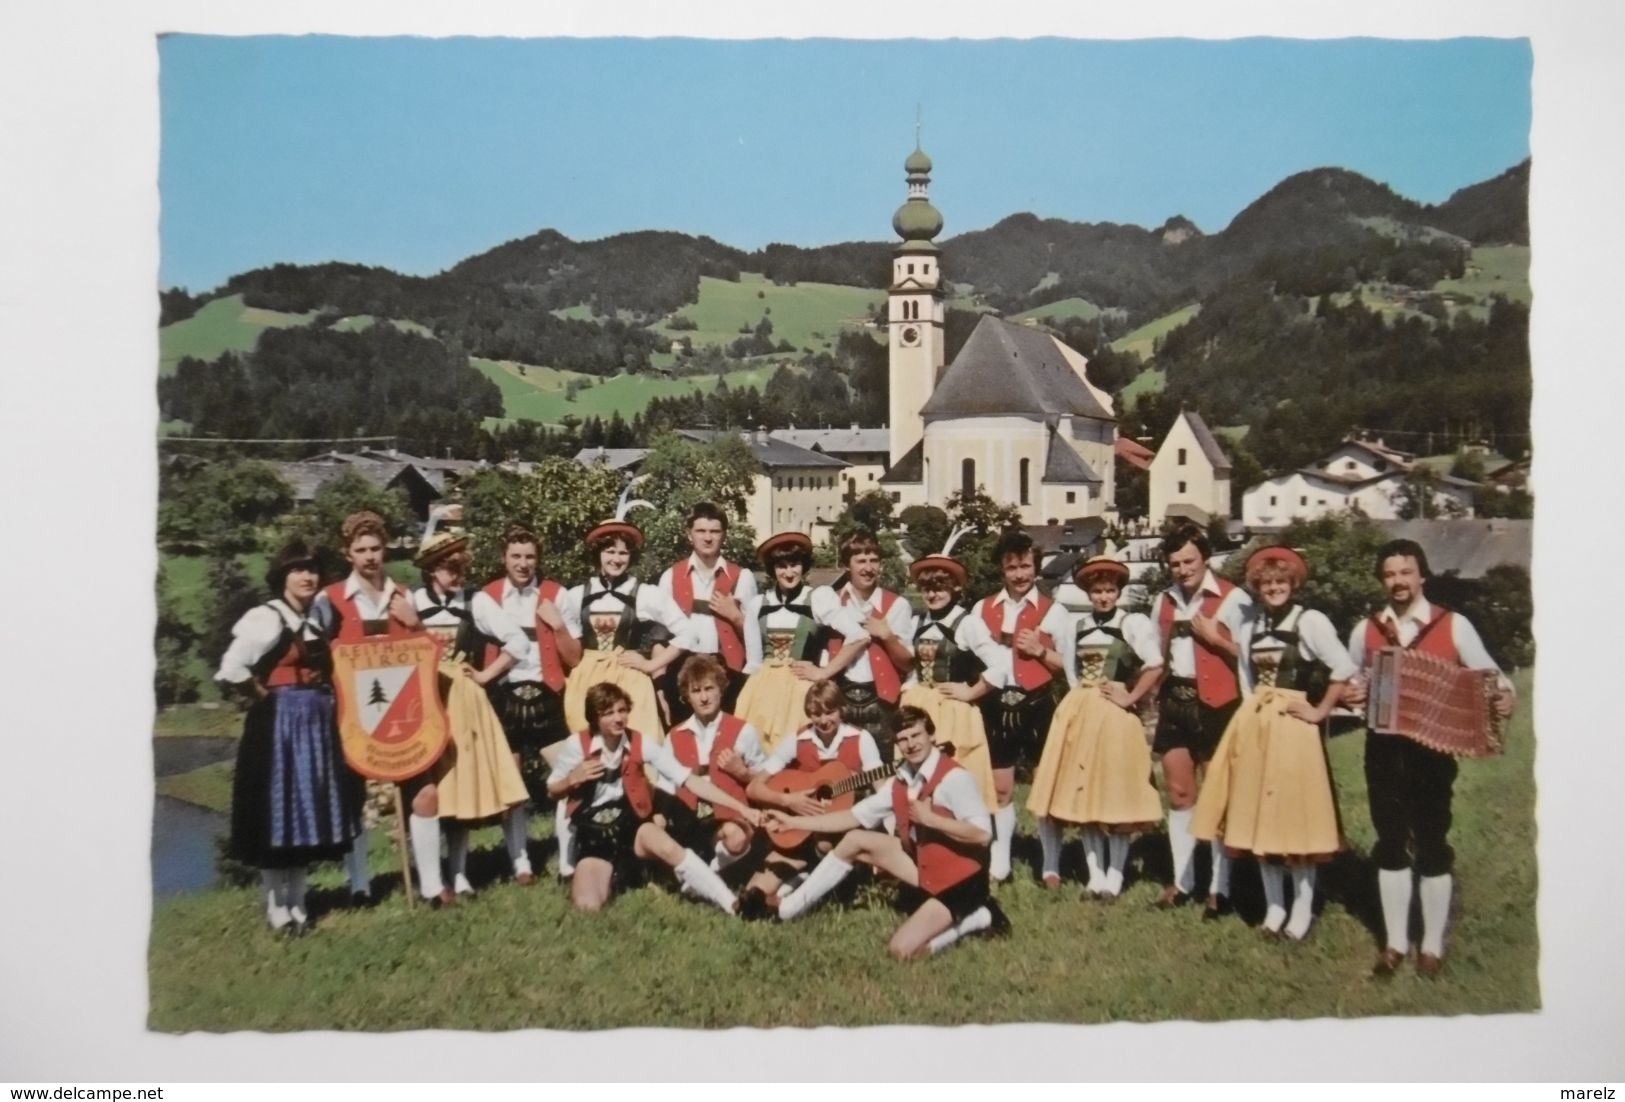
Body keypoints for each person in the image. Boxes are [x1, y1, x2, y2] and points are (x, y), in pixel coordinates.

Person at [1343, 539, 1516, 977]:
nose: (1398, 582)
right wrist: (1354, 693)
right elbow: (1350, 683)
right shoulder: (1367, 630)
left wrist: (1503, 698)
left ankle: (1432, 945)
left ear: (1422, 576)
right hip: (1382, 748)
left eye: (1406, 572)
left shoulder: (1452, 624)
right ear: (1381, 580)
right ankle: (1395, 943)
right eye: (1389, 574)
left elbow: (1491, 676)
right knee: (1389, 842)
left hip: (1433, 751)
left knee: (1432, 842)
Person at [1190, 547, 1357, 940]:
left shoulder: (1310, 621)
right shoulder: (1249, 625)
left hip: (1294, 727)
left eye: (1281, 582)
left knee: (1295, 819)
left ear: (1293, 584)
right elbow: (1248, 680)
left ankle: (1301, 912)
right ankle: (1274, 909)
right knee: (1260, 817)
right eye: (1267, 584)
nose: (1275, 589)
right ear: (1258, 588)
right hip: (1257, 724)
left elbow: (1343, 668)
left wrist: (1318, 712)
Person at [762, 707, 1011, 959]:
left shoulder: (954, 778)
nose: (911, 744)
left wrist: (932, 820)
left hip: (961, 880)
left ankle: (980, 916)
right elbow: (852, 817)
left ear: (932, 737)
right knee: (855, 839)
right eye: (903, 739)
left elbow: (982, 835)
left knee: (901, 951)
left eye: (916, 735)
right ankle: (788, 909)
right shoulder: (901, 780)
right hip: (923, 865)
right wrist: (792, 821)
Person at [217, 539, 362, 934]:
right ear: (283, 577)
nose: (307, 577)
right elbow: (232, 667)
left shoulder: (317, 617)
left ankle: (299, 901)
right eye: (298, 570)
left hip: (315, 723)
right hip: (278, 724)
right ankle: (275, 905)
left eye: (312, 569)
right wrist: (262, 697)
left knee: (306, 811)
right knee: (276, 811)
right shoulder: (266, 618)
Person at [545, 682, 759, 914]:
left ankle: (732, 904)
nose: (618, 719)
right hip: (595, 834)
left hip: (631, 825)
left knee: (665, 844)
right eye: (609, 713)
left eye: (622, 710)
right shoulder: (576, 745)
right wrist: (571, 779)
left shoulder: (639, 741)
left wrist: (741, 808)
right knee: (588, 906)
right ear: (595, 718)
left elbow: (689, 780)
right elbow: (553, 790)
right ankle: (623, 873)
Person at [1027, 556, 1164, 897]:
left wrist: (1131, 696)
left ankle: (1116, 876)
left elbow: (1155, 664)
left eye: (1110, 590)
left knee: (1114, 794)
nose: (1104, 597)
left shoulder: (1132, 623)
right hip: (1083, 710)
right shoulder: (1078, 626)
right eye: (1098, 591)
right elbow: (1072, 673)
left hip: (1116, 716)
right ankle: (1095, 875)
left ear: (1119, 591)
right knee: (1086, 792)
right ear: (1089, 593)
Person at [408, 531, 533, 900]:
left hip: (462, 701)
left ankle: (460, 874)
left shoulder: (475, 601)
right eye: (450, 566)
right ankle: (438, 876)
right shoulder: (413, 602)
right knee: (434, 789)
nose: (458, 572)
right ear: (431, 570)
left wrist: (484, 676)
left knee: (458, 785)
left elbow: (519, 642)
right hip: (424, 701)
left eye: (462, 564)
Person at [312, 510, 422, 904]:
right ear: (348, 554)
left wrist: (414, 624)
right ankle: (359, 883)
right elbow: (314, 652)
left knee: (410, 793)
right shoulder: (332, 599)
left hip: (402, 712)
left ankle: (420, 874)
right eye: (361, 550)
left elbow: (425, 656)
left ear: (385, 548)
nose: (370, 556)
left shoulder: (403, 595)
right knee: (354, 797)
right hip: (353, 712)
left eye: (376, 548)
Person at [1148, 523, 1252, 917]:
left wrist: (1216, 639)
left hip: (1218, 703)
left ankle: (1219, 887)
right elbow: (1156, 655)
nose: (1182, 569)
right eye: (1174, 563)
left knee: (1216, 797)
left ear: (1205, 558)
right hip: (1176, 700)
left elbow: (1253, 656)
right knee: (1179, 794)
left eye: (1189, 561)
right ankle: (1183, 879)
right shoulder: (1165, 601)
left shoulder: (1233, 599)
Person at [968, 528, 1075, 882]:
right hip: (998, 704)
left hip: (1039, 703)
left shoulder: (1054, 611)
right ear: (1002, 568)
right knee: (999, 788)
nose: (1019, 575)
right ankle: (1001, 862)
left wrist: (1041, 652)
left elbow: (1071, 666)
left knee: (1045, 785)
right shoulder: (984, 609)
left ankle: (1050, 864)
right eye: (1012, 567)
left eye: (1026, 566)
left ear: (1036, 567)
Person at [477, 524, 582, 872]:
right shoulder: (488, 597)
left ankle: (567, 861)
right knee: (512, 783)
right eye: (516, 557)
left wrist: (559, 627)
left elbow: (575, 658)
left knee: (570, 775)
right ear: (503, 558)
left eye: (530, 557)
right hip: (503, 695)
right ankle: (520, 861)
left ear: (538, 559)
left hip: (546, 693)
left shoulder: (556, 594)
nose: (523, 564)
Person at [739, 680, 887, 915]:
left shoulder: (860, 739)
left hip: (838, 830)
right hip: (797, 826)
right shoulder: (798, 740)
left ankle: (798, 890)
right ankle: (796, 880)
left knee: (824, 842)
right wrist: (789, 801)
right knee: (752, 893)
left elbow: (883, 790)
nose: (824, 720)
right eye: (816, 714)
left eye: (830, 712)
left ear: (841, 710)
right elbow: (754, 788)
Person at [561, 516, 697, 740]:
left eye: (623, 553)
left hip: (630, 680)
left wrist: (651, 664)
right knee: (589, 747)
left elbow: (688, 633)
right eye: (610, 551)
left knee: (638, 744)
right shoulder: (576, 596)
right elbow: (565, 644)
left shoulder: (645, 593)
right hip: (586, 681)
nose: (616, 559)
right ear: (598, 553)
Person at [735, 531, 869, 754]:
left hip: (801, 690)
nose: (789, 572)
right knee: (758, 752)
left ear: (804, 566)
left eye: (794, 564)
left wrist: (823, 672)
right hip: (762, 693)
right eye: (781, 566)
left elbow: (859, 636)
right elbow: (754, 664)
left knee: (799, 752)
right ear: (772, 569)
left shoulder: (817, 598)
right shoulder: (757, 604)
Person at [898, 551, 999, 815]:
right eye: (927, 589)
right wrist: (908, 693)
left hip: (953, 710)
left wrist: (972, 691)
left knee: (954, 777)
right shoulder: (917, 621)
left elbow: (1002, 665)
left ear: (955, 587)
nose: (933, 595)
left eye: (940, 588)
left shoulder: (967, 623)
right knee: (916, 779)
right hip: (919, 706)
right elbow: (912, 666)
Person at [657, 655, 769, 875]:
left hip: (728, 818)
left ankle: (702, 877)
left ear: (721, 689)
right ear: (686, 696)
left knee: (736, 836)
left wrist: (743, 772)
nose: (704, 698)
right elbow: (665, 787)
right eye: (696, 691)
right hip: (686, 822)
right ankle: (702, 874)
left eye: (709, 688)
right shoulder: (675, 736)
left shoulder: (742, 730)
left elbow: (766, 782)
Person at [817, 529, 915, 761]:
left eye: (874, 560)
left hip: (880, 701)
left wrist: (888, 637)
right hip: (840, 699)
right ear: (846, 565)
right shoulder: (832, 602)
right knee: (841, 768)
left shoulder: (896, 605)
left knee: (882, 769)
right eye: (860, 561)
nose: (868, 568)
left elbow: (908, 663)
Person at [657, 502, 758, 723]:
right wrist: (660, 684)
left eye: (714, 531)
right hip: (682, 671)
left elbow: (756, 640)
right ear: (689, 534)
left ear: (723, 535)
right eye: (701, 531)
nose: (708, 537)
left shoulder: (741, 577)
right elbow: (660, 637)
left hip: (728, 673)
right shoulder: (670, 577)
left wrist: (736, 617)